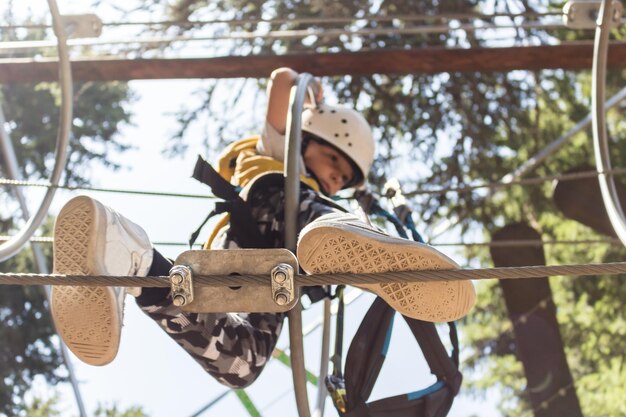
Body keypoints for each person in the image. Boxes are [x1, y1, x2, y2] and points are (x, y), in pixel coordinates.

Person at [50, 68, 475, 388]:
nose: (335, 180)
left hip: (268, 274)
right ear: (305, 138)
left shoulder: (318, 186)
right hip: (272, 218)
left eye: (344, 181)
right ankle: (349, 240)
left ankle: (132, 259)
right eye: (333, 164)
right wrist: (299, 87)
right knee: (318, 215)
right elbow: (279, 84)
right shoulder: (281, 154)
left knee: (242, 364)